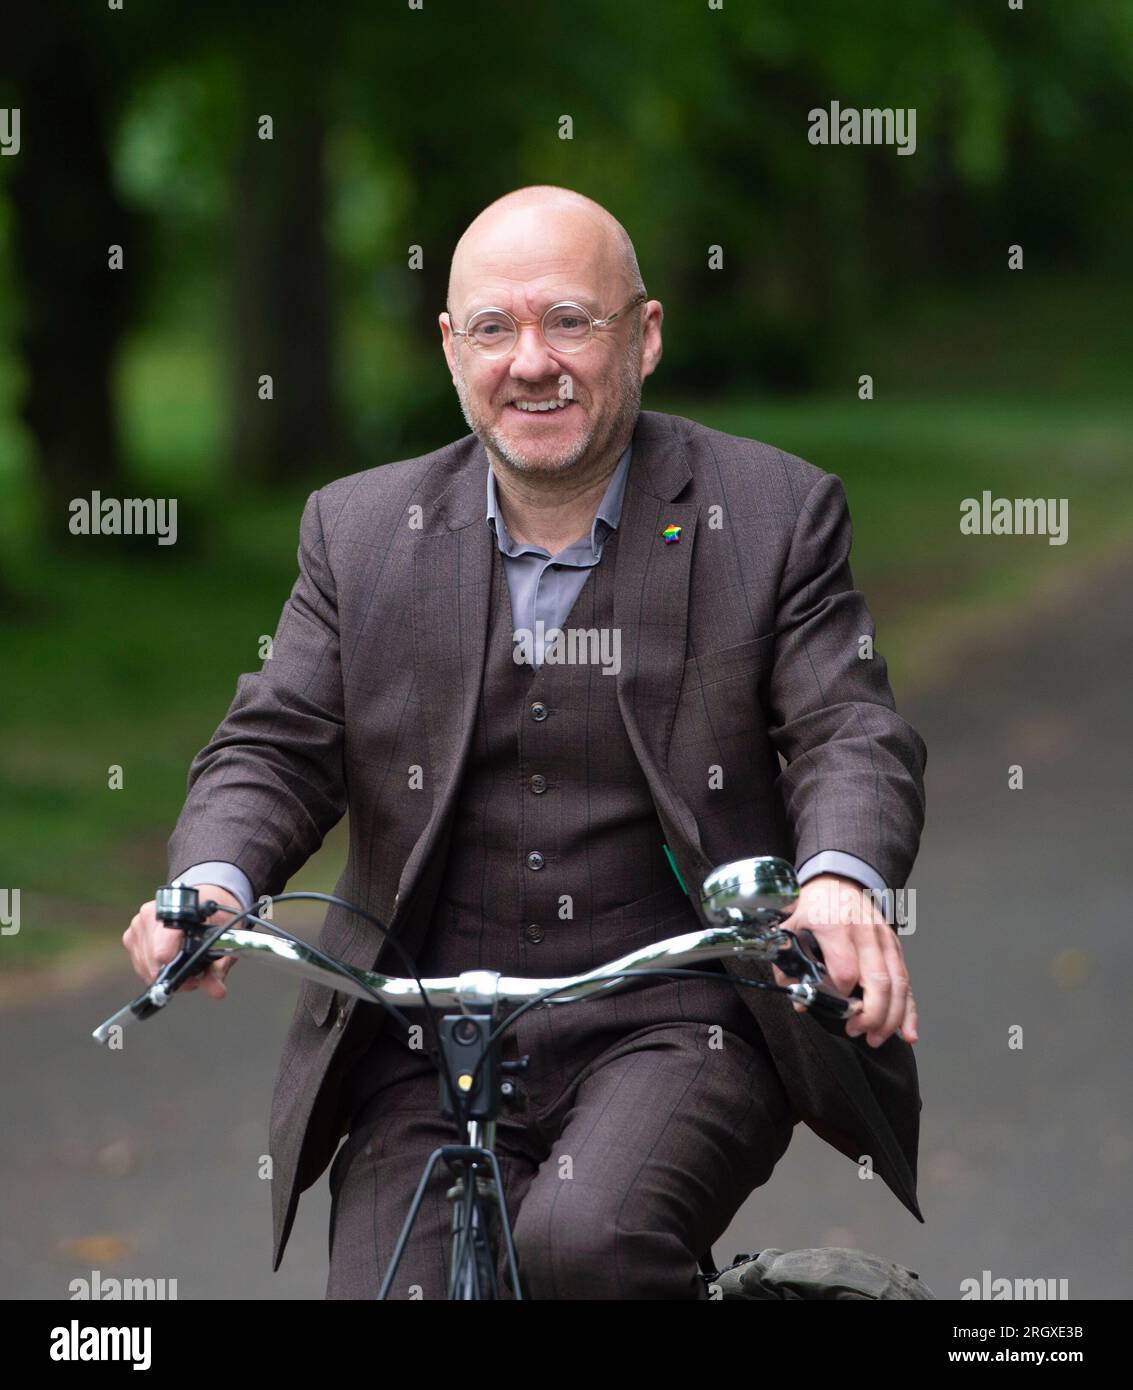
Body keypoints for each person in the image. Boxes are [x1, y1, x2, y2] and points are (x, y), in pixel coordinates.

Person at [123, 185, 926, 1300]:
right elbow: (276, 743)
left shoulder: (770, 511)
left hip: (683, 1016)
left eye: (569, 320)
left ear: (641, 335)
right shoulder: (358, 533)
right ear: (452, 349)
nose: (530, 361)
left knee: (581, 1247)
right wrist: (211, 880)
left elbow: (849, 727)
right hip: (424, 1030)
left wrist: (839, 879)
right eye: (494, 328)